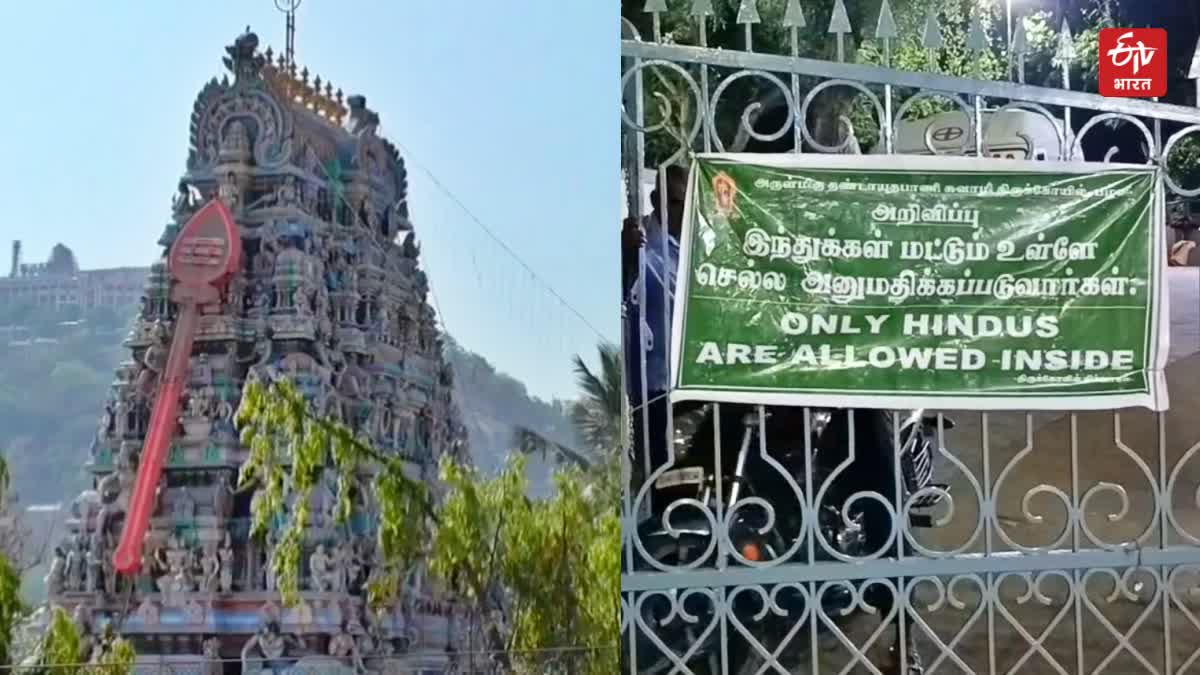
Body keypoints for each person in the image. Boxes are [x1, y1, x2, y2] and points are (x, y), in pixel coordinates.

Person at [621, 165, 698, 483]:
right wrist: (625, 254)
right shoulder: (641, 245)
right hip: (651, 382)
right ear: (656, 200)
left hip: (691, 381)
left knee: (694, 469)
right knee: (657, 473)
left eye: (686, 202)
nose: (682, 211)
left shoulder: (697, 249)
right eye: (677, 202)